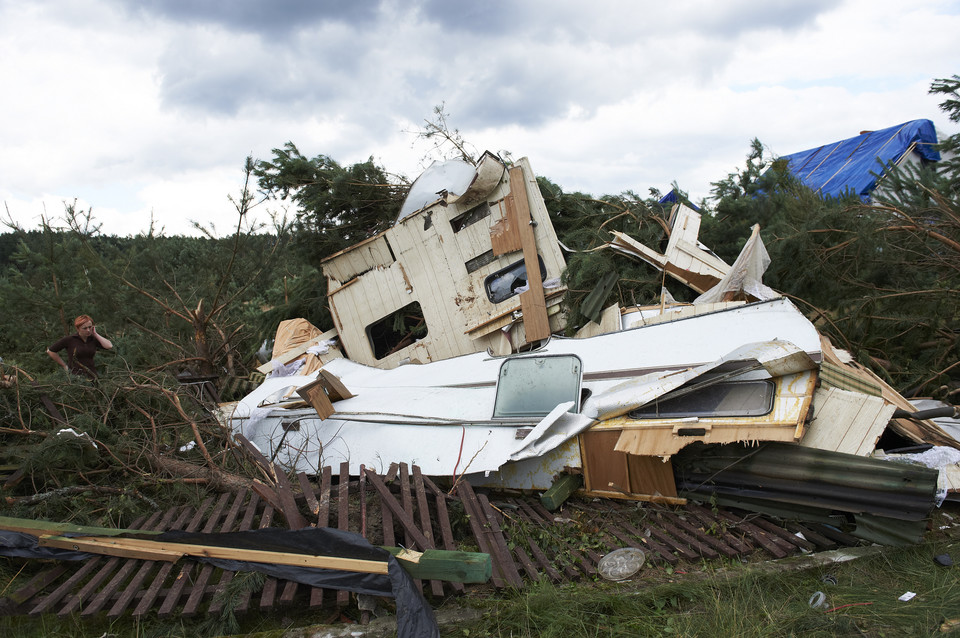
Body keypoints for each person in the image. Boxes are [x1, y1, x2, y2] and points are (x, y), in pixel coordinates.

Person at [46, 315, 113, 379]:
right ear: (77, 328)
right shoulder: (70, 339)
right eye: (85, 328)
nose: (88, 330)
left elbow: (109, 346)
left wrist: (95, 334)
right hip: (75, 377)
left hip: (92, 375)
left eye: (90, 327)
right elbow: (51, 351)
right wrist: (64, 365)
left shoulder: (93, 339)